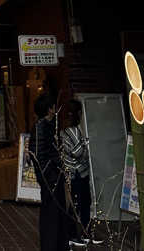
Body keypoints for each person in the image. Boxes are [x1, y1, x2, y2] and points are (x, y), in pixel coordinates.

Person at [31, 94, 69, 251]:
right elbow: (39, 156)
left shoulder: (48, 125)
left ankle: (58, 245)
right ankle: (50, 246)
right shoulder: (41, 127)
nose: (55, 109)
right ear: (49, 109)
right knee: (51, 215)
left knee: (58, 214)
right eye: (53, 106)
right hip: (50, 179)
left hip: (55, 176)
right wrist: (50, 175)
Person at [61, 100, 92, 249]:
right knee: (79, 204)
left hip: (74, 172)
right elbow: (78, 153)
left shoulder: (66, 129)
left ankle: (81, 233)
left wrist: (83, 144)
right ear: (77, 113)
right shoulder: (71, 130)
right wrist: (85, 143)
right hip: (77, 173)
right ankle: (76, 234)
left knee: (78, 204)